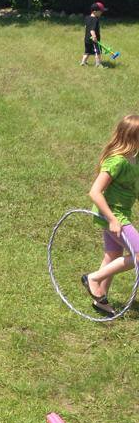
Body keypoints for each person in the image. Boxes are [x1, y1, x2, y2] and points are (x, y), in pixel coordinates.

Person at [82, 115, 139, 314]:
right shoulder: (117, 162)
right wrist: (113, 219)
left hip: (121, 213)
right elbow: (95, 192)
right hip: (111, 214)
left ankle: (100, 299)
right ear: (133, 136)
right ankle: (93, 278)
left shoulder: (135, 160)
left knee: (113, 255)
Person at [80, 2, 106, 67]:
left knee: (87, 51)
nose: (101, 13)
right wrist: (94, 37)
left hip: (87, 39)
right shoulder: (95, 19)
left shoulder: (87, 18)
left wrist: (86, 36)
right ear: (95, 11)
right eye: (100, 11)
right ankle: (98, 64)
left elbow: (86, 27)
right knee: (97, 52)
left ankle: (83, 62)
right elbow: (92, 30)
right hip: (94, 39)